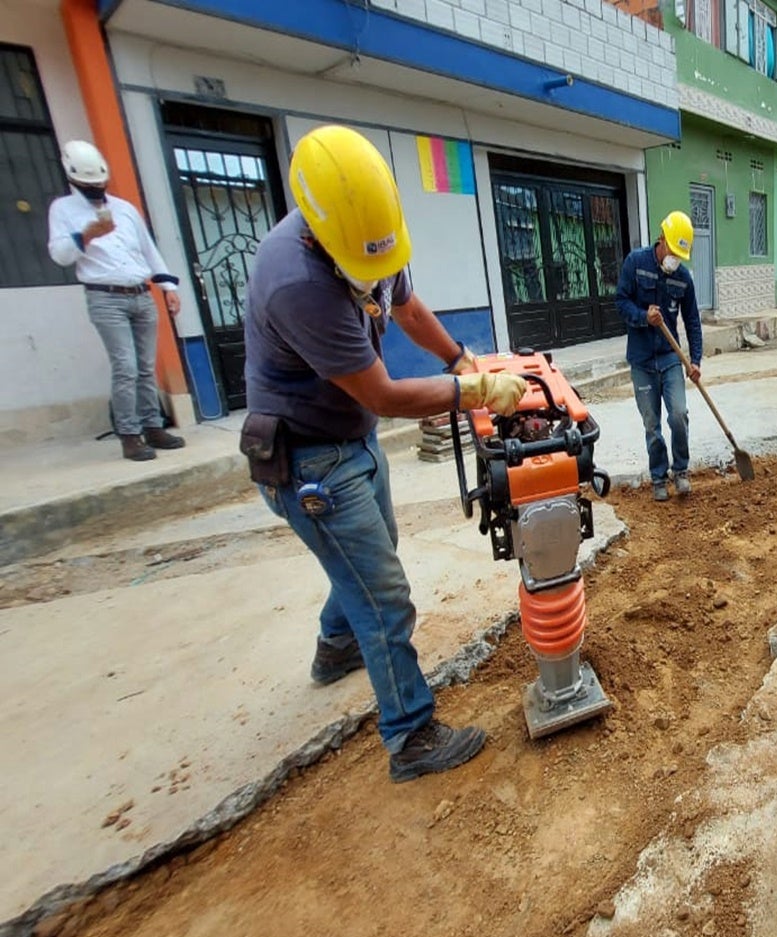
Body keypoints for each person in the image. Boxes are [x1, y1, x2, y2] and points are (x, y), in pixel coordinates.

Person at [242, 125, 527, 783]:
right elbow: (385, 393)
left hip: (351, 438)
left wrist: (458, 355)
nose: (376, 278)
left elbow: (405, 304)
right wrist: (474, 389)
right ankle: (411, 737)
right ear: (320, 231)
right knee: (384, 598)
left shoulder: (366, 233)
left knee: (372, 555)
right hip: (308, 457)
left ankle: (336, 647)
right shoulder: (296, 282)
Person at [47, 140, 187, 462]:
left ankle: (154, 426)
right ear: (73, 179)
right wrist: (86, 235)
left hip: (140, 293)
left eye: (99, 183)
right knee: (126, 366)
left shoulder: (125, 209)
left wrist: (167, 286)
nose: (95, 189)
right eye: (88, 185)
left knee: (146, 366)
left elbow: (147, 249)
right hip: (105, 296)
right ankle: (129, 434)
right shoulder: (63, 210)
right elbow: (59, 255)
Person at [616, 210, 703, 502]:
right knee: (651, 423)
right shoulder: (635, 263)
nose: (674, 259)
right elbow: (621, 302)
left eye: (681, 255)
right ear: (662, 239)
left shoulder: (683, 278)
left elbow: (692, 321)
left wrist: (696, 360)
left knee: (678, 414)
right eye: (673, 252)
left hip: (669, 357)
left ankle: (681, 471)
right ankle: (658, 476)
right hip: (641, 360)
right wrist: (643, 316)